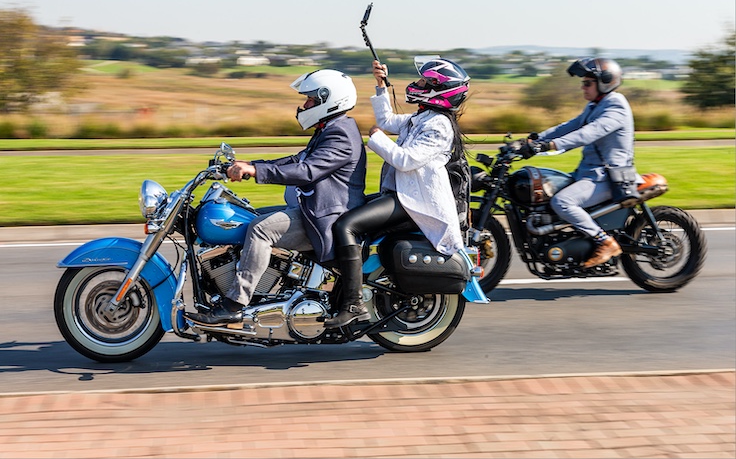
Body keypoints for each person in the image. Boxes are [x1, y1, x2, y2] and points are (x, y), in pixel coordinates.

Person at [193, 69, 367, 324]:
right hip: (312, 207)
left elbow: (306, 171)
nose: (305, 105)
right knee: (249, 216)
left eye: (310, 100)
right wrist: (250, 165)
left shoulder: (340, 134)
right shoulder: (331, 128)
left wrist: (256, 171)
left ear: (329, 100)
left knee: (260, 229)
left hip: (326, 216)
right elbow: (297, 160)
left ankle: (235, 304)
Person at [325, 57, 485, 329]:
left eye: (424, 81)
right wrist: (381, 85)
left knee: (346, 226)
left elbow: (406, 160)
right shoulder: (422, 118)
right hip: (402, 196)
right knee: (345, 212)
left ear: (438, 90)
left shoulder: (439, 126)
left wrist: (377, 138)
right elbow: (387, 119)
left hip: (415, 204)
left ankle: (353, 303)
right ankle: (343, 286)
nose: (418, 84)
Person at [522, 57, 638, 268]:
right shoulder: (595, 105)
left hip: (607, 177)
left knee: (562, 202)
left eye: (587, 83)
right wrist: (534, 140)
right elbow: (569, 126)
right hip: (589, 174)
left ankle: (605, 242)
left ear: (605, 82)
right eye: (583, 82)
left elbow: (589, 133)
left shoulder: (616, 106)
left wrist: (551, 145)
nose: (583, 87)